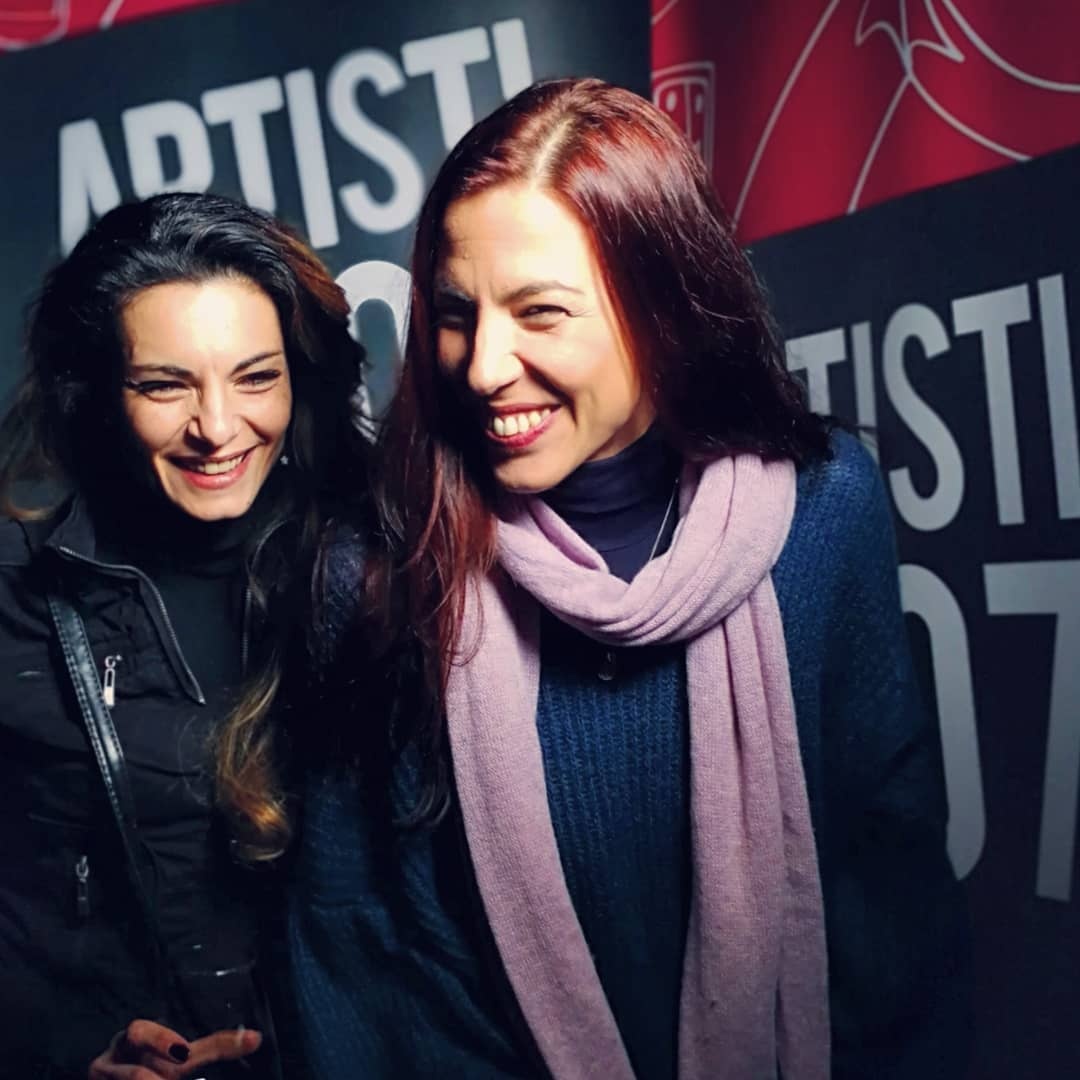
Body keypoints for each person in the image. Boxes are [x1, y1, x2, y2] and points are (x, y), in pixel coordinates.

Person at [287, 78, 971, 1079]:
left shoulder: (825, 509)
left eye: (540, 313)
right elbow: (362, 943)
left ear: (664, 309)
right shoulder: (376, 562)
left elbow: (891, 868)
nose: (482, 366)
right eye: (457, 314)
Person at [0, 192, 368, 1078]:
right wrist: (67, 1058)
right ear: (100, 393)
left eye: (256, 377)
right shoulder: (19, 589)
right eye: (165, 385)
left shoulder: (374, 561)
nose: (217, 428)